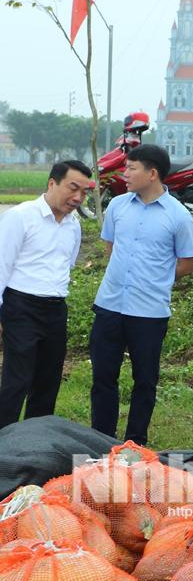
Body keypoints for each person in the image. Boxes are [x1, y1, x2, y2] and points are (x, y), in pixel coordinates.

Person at [90, 145, 193, 445]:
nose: (125, 173)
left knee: (145, 380)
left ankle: (135, 443)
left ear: (152, 174)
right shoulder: (117, 206)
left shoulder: (178, 216)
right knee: (103, 378)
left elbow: (186, 263)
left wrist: (156, 280)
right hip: (110, 305)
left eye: (131, 168)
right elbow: (110, 248)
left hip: (149, 312)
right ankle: (102, 439)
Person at [0, 160, 92, 429]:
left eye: (84, 192)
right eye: (73, 188)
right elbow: (2, 266)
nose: (78, 197)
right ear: (52, 183)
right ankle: (5, 439)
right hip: (21, 306)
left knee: (48, 381)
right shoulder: (20, 216)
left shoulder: (74, 225)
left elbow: (67, 264)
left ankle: (37, 441)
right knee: (17, 380)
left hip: (55, 309)